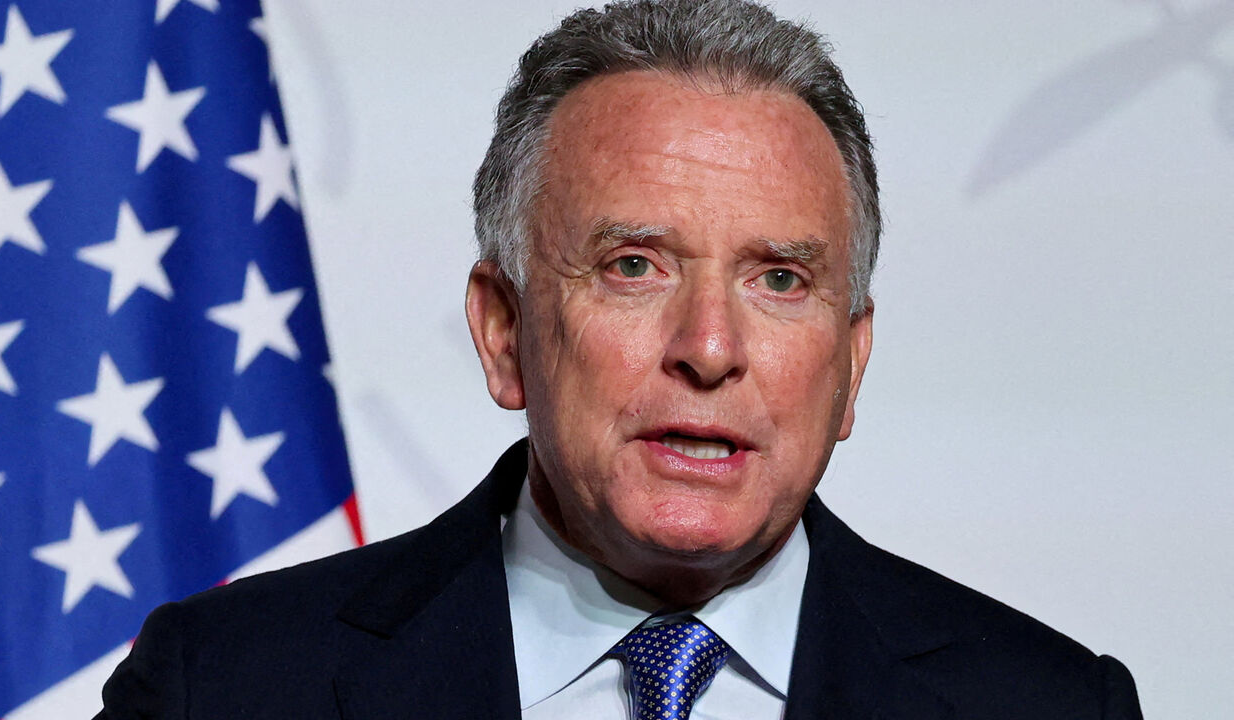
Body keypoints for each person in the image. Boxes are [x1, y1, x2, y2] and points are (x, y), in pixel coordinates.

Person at [97, 1, 1145, 718]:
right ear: (502, 331)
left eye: (780, 279)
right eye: (633, 266)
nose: (709, 349)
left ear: (850, 365)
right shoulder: (225, 689)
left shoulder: (1049, 705)